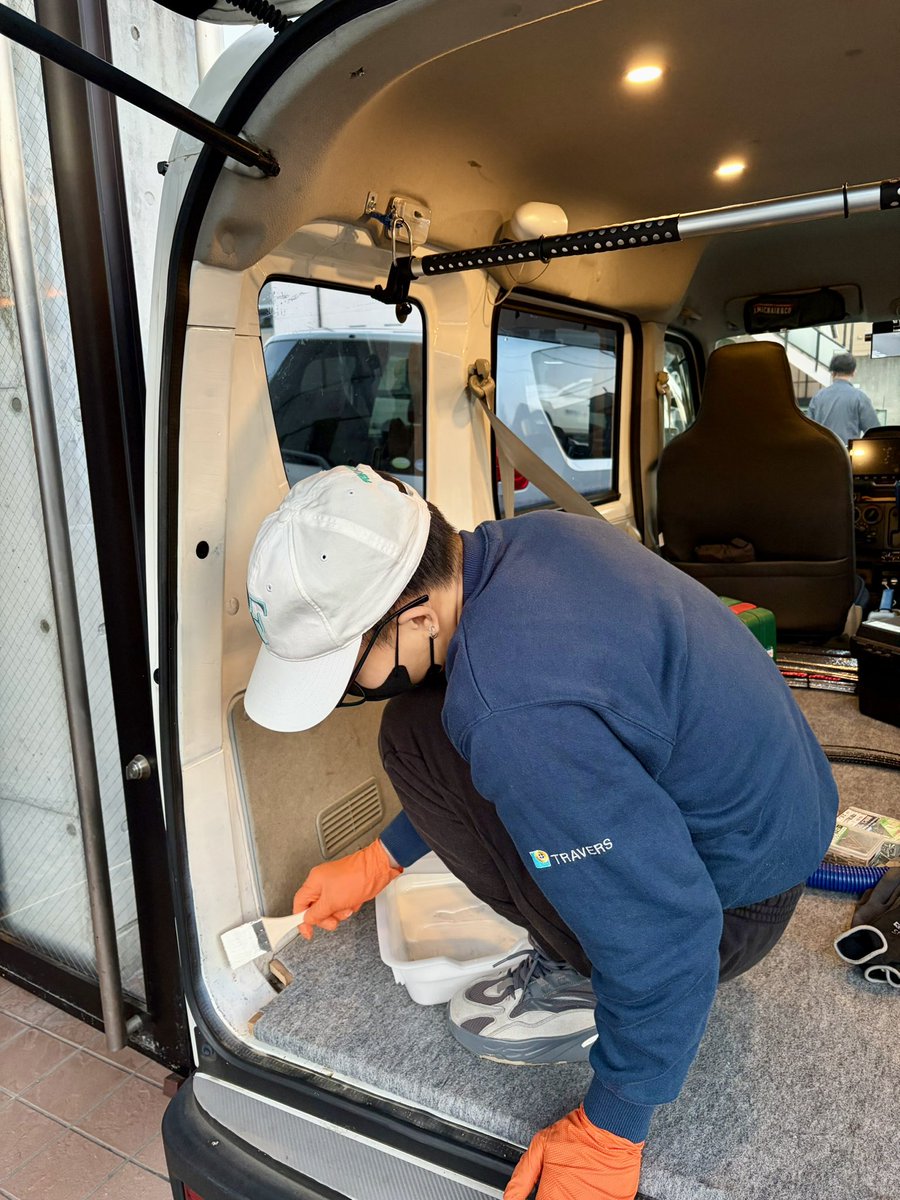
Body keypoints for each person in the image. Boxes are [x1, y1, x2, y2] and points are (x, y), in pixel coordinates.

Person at [244, 465, 838, 1200]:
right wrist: (380, 860)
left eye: (346, 673)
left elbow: (666, 926)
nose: (349, 693)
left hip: (730, 903)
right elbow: (544, 733)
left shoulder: (513, 709)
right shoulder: (531, 541)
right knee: (420, 728)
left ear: (419, 617)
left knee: (438, 737)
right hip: (771, 817)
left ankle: (576, 972)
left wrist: (611, 1129)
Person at [807, 352, 880, 443]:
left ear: (832, 373)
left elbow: (807, 429)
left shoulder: (818, 397)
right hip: (847, 453)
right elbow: (875, 432)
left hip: (821, 452)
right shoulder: (859, 397)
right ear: (853, 373)